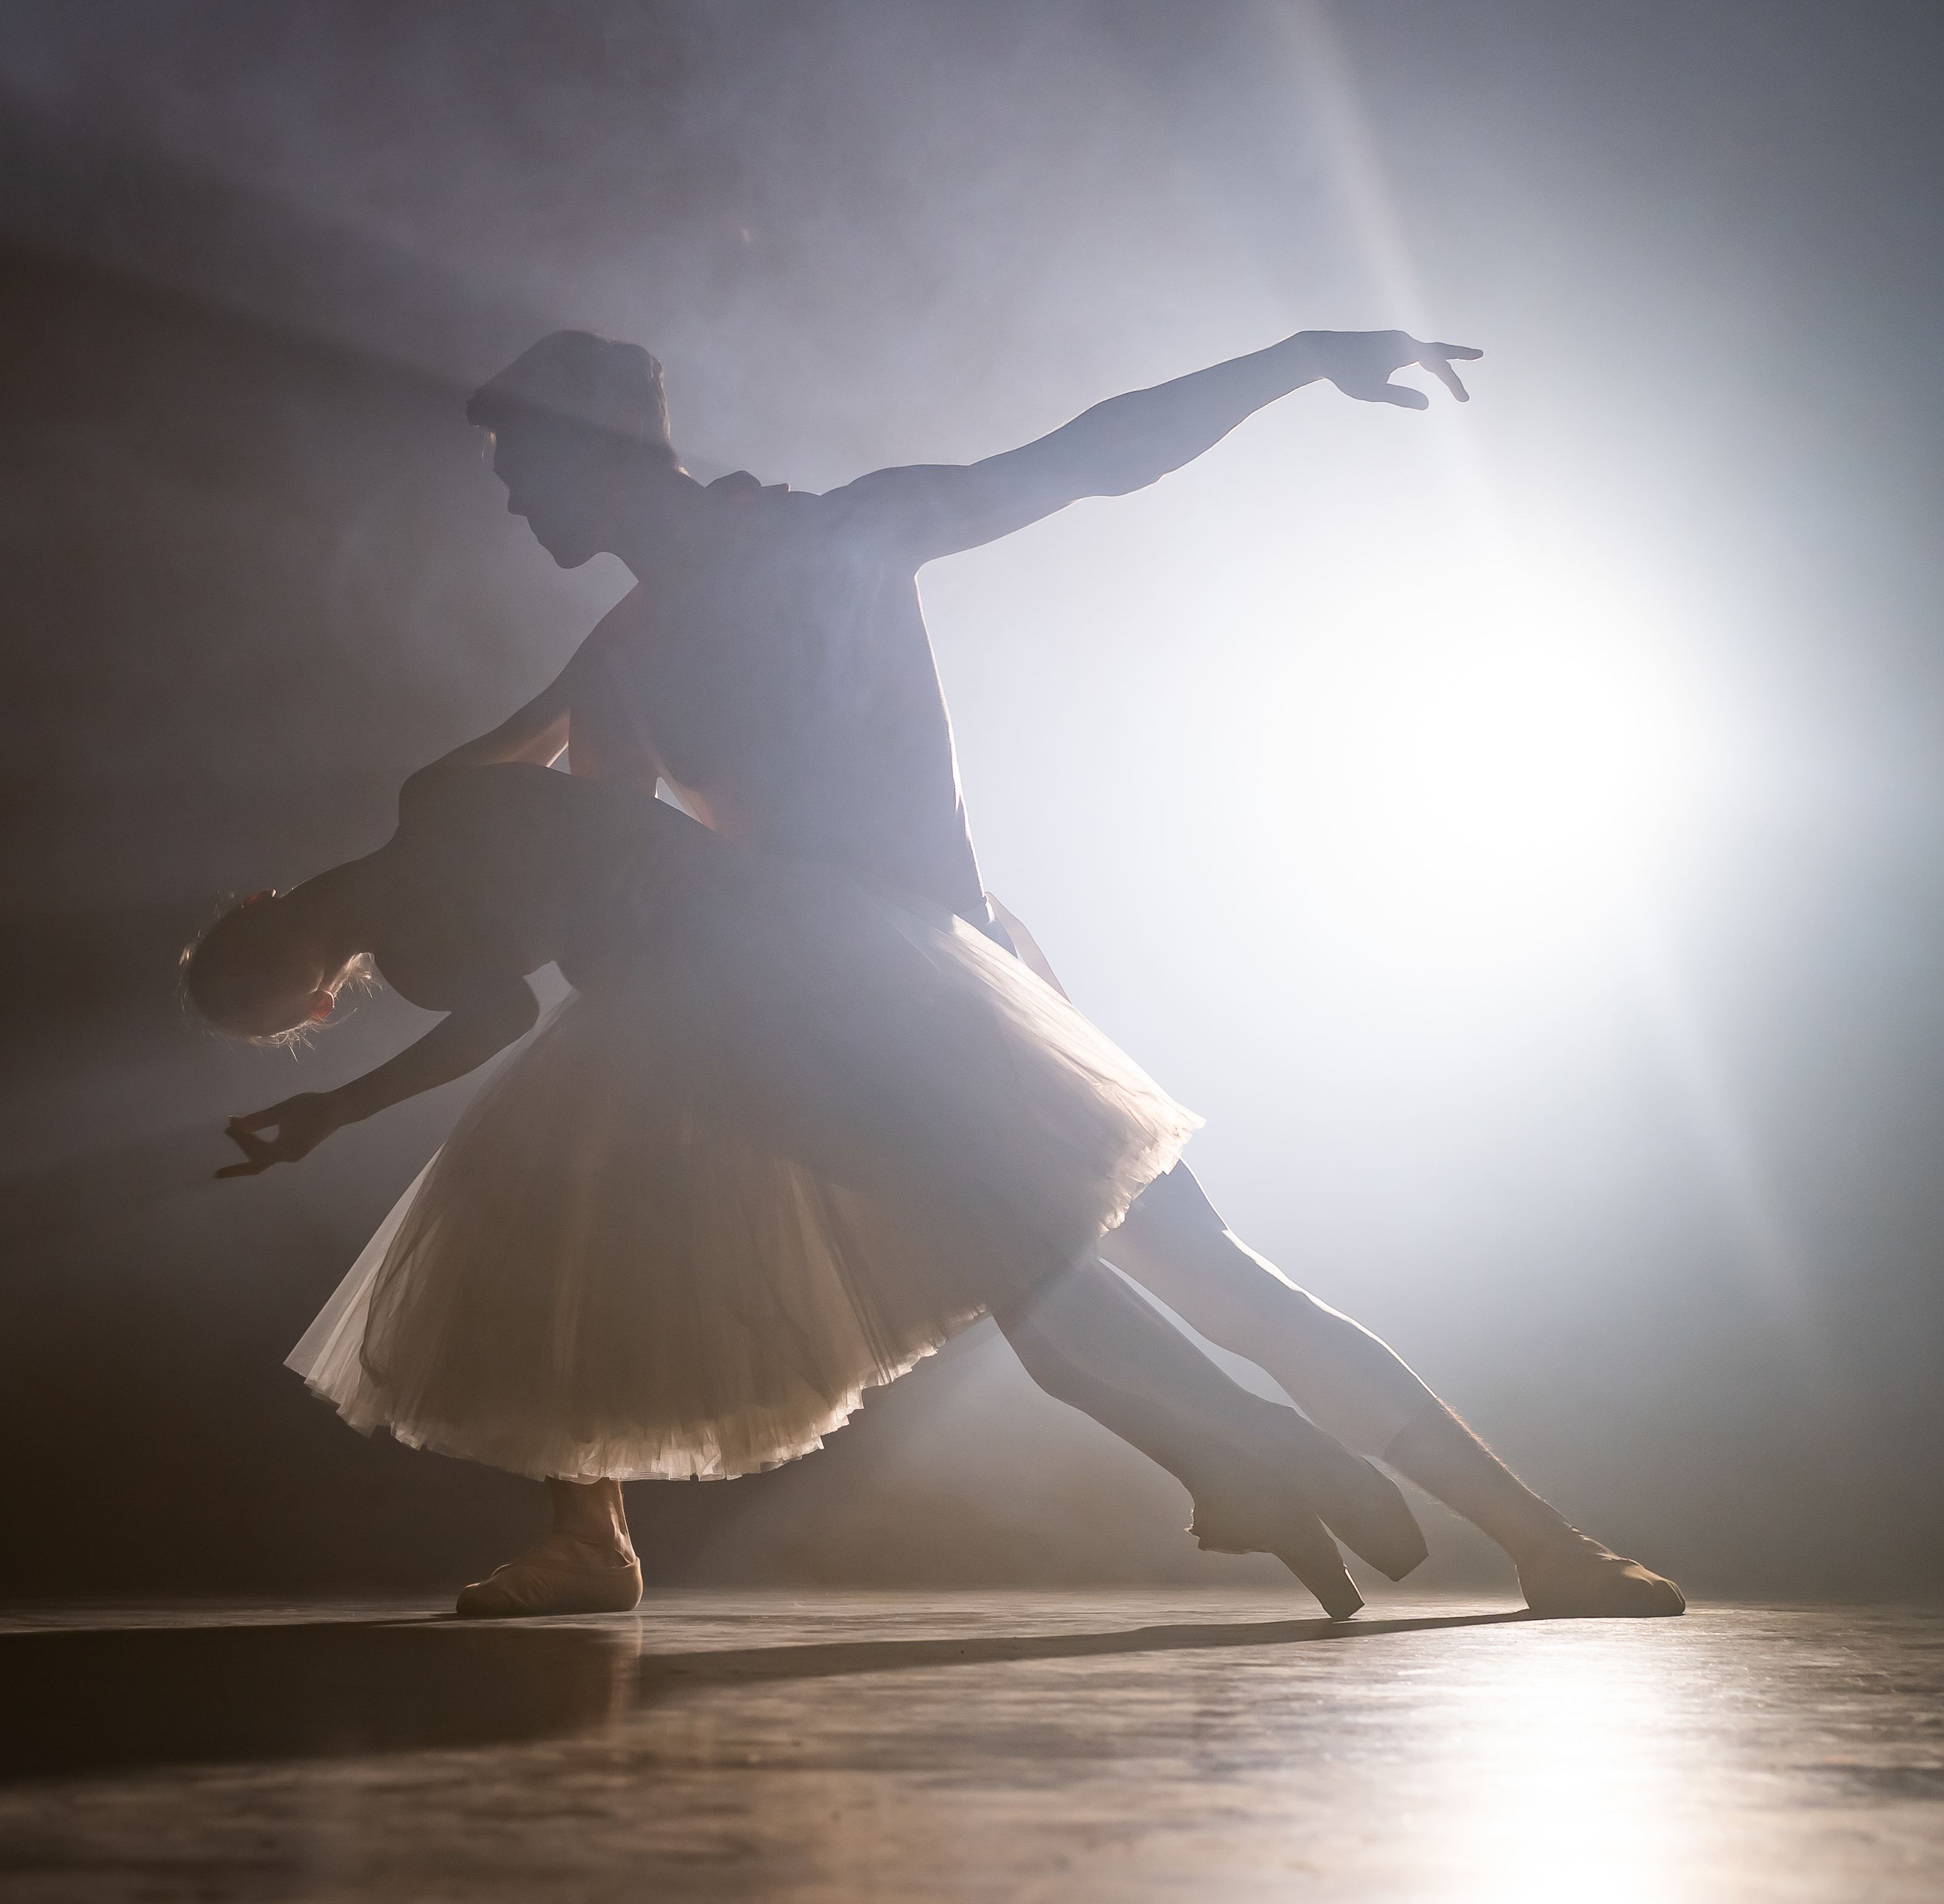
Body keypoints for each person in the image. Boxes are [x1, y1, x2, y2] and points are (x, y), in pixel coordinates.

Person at [444, 326, 1684, 1618]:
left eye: (524, 465)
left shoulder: (836, 540)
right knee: (591, 1197)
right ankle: (592, 1537)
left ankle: (1535, 1535)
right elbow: (569, 839)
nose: (516, 499)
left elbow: (1089, 457)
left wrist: (1302, 359)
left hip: (951, 990)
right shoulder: (622, 657)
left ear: (596, 453)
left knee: (1194, 1285)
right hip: (798, 1028)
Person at [194, 733, 1428, 1620]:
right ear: (293, 957)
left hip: (750, 973)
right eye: (286, 1004)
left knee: (1001, 1252)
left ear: (289, 953)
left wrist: (336, 1104)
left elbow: (511, 951)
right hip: (728, 973)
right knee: (990, 1255)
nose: (303, 984)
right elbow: (507, 960)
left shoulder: (425, 876)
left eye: (276, 982)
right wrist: (336, 1104)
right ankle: (1243, 1462)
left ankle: (1257, 1455)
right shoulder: (425, 878)